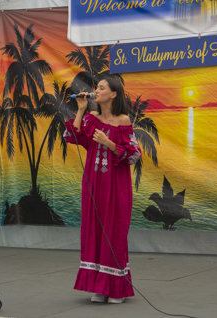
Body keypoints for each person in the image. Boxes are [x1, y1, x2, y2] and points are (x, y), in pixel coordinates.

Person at [63, 77, 141, 304]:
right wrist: (80, 110)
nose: (96, 90)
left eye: (101, 87)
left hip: (116, 185)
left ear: (113, 94)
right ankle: (99, 286)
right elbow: (72, 136)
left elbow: (134, 154)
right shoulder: (91, 118)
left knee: (114, 231)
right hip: (93, 184)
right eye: (96, 87)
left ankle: (116, 288)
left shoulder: (123, 120)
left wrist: (109, 143)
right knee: (94, 231)